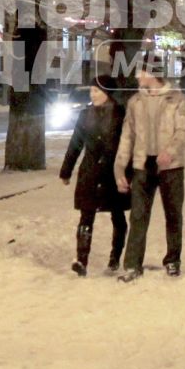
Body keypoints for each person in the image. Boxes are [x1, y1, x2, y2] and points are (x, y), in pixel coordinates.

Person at [113, 61, 185, 282]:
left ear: (152, 74)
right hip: (143, 164)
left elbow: (183, 131)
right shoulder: (135, 102)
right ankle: (132, 265)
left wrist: (170, 151)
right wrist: (119, 168)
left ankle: (173, 260)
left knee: (173, 213)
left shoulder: (176, 99)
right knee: (138, 215)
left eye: (141, 71)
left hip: (170, 167)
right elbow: (127, 136)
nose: (137, 76)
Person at [59, 82, 128, 276]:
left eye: (97, 90)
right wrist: (66, 171)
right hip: (90, 172)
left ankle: (115, 257)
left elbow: (128, 144)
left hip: (112, 172)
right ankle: (82, 260)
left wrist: (127, 172)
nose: (93, 94)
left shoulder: (120, 114)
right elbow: (75, 144)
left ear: (107, 93)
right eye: (91, 90)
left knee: (118, 215)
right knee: (86, 215)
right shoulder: (85, 115)